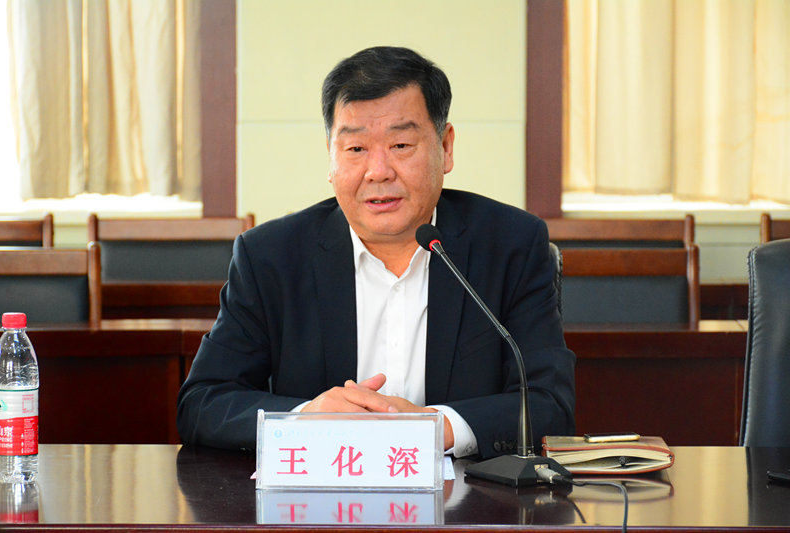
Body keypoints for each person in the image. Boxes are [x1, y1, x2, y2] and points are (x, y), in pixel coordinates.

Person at [177, 46, 575, 459]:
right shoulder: (270, 256)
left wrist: (435, 427)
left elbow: (550, 405)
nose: (378, 171)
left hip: (465, 496)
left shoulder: (511, 246)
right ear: (330, 157)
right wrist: (303, 419)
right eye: (356, 149)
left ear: (445, 146)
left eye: (401, 144)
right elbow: (203, 402)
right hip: (320, 495)